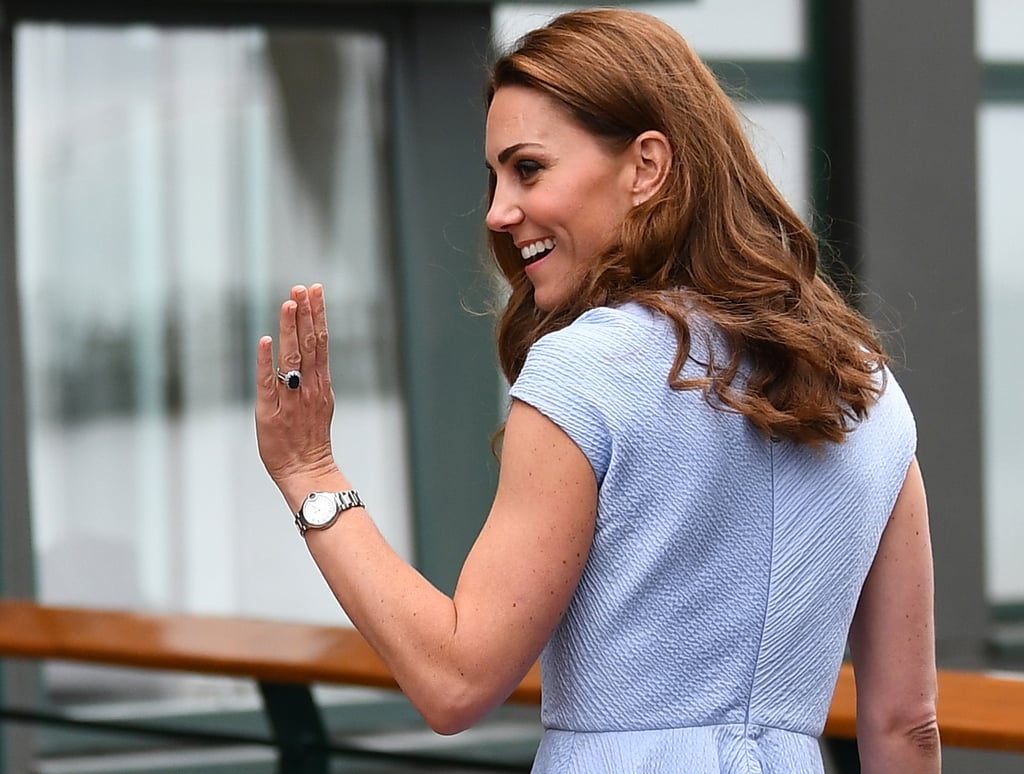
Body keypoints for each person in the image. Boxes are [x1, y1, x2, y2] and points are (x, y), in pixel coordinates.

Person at [255, 8, 939, 773]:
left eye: (529, 168)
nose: (498, 211)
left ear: (647, 165)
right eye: (495, 176)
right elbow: (907, 723)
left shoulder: (587, 369)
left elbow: (454, 680)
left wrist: (311, 471)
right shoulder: (862, 386)